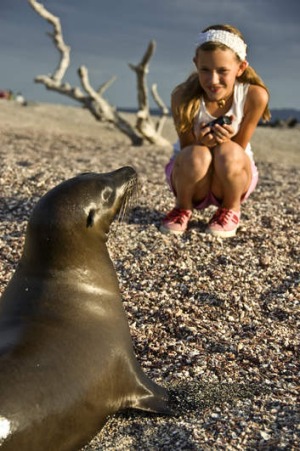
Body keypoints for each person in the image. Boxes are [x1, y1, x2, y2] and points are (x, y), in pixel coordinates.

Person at [160, 24, 270, 238]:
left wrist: (224, 140)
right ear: (196, 64)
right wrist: (201, 142)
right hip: (190, 179)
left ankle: (230, 209)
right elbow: (186, 150)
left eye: (222, 71)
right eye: (205, 70)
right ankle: (182, 207)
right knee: (197, 154)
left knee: (228, 151)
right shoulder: (182, 96)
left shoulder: (254, 96)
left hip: (232, 178)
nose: (213, 80)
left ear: (240, 68)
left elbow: (238, 149)